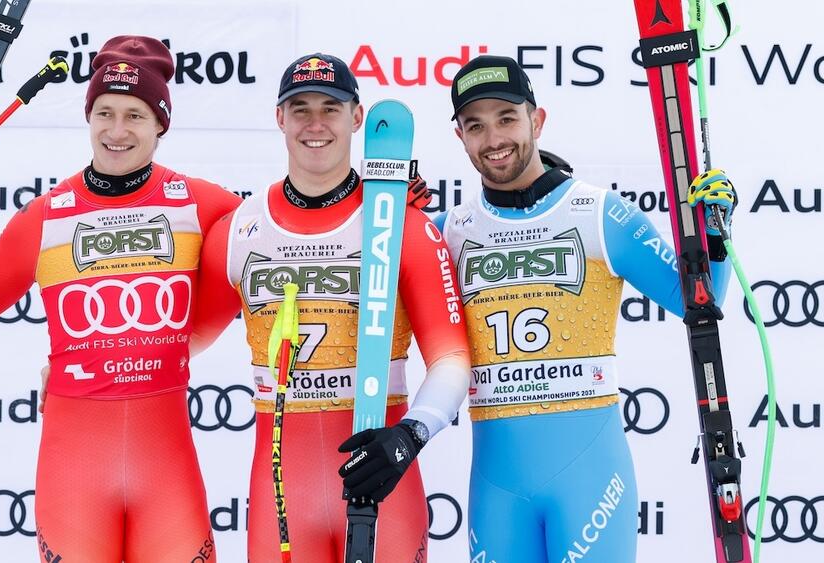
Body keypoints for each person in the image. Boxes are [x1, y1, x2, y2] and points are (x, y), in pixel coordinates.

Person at [0, 36, 241, 563]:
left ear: (160, 125)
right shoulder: (49, 214)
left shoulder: (203, 203)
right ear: (88, 117)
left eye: (135, 115)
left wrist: (392, 197)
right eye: (104, 112)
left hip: (165, 466)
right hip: (76, 471)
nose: (116, 131)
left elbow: (291, 230)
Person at [437, 55, 736, 563]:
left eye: (507, 118)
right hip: (497, 489)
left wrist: (714, 230)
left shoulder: (599, 212)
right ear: (460, 137)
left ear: (537, 119)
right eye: (476, 126)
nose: (493, 139)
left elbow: (697, 302)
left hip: (592, 482)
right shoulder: (448, 229)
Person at [189, 53, 472, 562]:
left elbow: (452, 358)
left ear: (357, 118)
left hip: (383, 482)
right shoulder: (238, 229)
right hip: (282, 491)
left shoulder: (403, 225)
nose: (315, 124)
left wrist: (410, 435)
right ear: (279, 118)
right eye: (300, 109)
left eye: (331, 108)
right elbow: (181, 342)